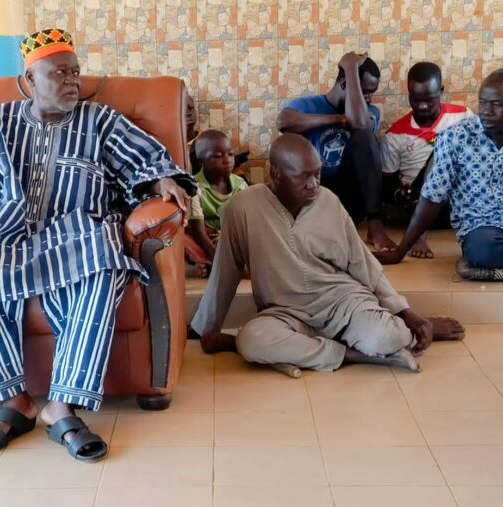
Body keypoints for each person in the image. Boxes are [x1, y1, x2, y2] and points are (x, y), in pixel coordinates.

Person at [0, 28, 195, 460]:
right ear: (31, 80)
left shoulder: (100, 120)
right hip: (5, 229)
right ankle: (13, 401)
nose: (72, 81)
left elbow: (145, 160)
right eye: (60, 73)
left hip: (78, 231)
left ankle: (62, 405)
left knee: (106, 267)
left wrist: (161, 180)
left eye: (75, 72)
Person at [189, 133, 464, 372]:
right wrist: (208, 326)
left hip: (341, 302)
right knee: (252, 341)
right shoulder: (242, 207)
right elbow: (225, 271)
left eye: (317, 173)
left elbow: (364, 264)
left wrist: (407, 313)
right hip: (285, 312)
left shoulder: (329, 201)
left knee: (387, 338)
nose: (313, 184)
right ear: (276, 175)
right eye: (303, 177)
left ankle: (403, 330)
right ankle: (352, 354)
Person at [377, 69, 503, 281]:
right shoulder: (456, 137)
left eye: (496, 104)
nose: (486, 111)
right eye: (482, 102)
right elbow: (431, 197)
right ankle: (482, 263)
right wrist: (401, 251)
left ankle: (486, 270)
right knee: (483, 251)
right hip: (482, 226)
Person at [277, 52, 396, 251]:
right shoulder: (309, 105)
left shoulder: (369, 113)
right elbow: (283, 122)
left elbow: (359, 124)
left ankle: (375, 227)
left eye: (371, 92)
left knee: (365, 137)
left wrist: (351, 67)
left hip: (349, 199)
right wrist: (337, 119)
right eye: (364, 91)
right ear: (345, 84)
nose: (368, 98)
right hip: (314, 194)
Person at [381, 62, 473, 258]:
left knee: (445, 146)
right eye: (415, 100)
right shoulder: (395, 135)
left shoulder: (464, 117)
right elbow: (388, 187)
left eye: (430, 100)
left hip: (460, 202)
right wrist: (401, 193)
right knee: (441, 149)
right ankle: (419, 234)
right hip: (418, 208)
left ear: (441, 91)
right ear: (408, 95)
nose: (422, 106)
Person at [185, 130, 248, 269]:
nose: (227, 160)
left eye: (231, 154)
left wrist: (226, 235)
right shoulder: (194, 187)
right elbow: (198, 231)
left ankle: (212, 264)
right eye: (218, 156)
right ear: (201, 161)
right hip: (205, 238)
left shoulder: (240, 185)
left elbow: (245, 223)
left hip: (230, 235)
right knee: (186, 242)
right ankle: (212, 262)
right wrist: (218, 257)